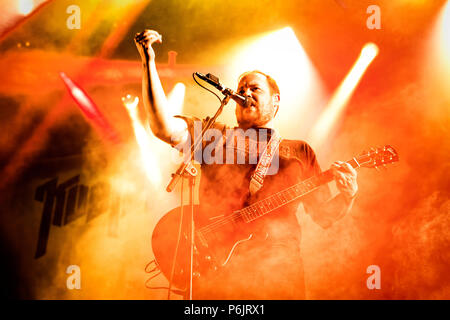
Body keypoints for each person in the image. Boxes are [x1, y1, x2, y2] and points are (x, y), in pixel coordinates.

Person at [134, 30, 358, 299]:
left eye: (255, 89)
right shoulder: (215, 136)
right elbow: (162, 126)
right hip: (215, 274)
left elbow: (324, 216)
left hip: (279, 276)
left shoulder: (299, 151)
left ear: (276, 103)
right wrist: (148, 61)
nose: (245, 93)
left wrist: (348, 195)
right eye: (241, 89)